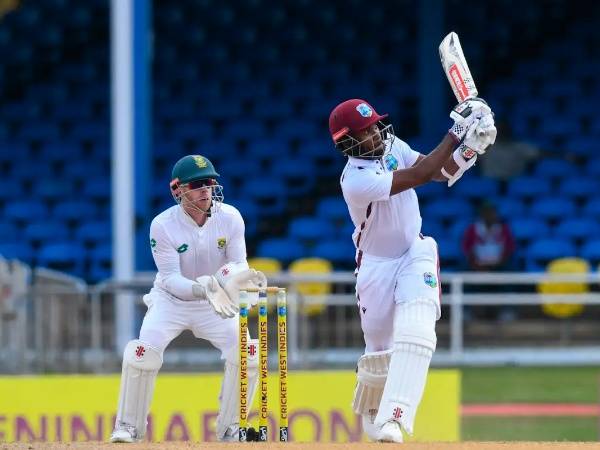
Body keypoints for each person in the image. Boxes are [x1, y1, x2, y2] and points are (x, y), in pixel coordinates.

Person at [328, 98, 496, 442]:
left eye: (375, 124)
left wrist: (470, 149)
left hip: (414, 251)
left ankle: (396, 416)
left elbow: (438, 172)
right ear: (347, 141)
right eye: (366, 130)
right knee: (379, 353)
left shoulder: (392, 144)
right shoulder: (355, 180)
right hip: (375, 265)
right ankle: (374, 409)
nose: (376, 132)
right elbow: (419, 176)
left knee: (418, 332)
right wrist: (457, 131)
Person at [110, 154, 266, 443]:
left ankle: (232, 428)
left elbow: (239, 262)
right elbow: (170, 278)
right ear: (178, 189)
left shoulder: (230, 217)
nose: (206, 189)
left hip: (217, 304)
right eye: (197, 184)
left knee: (248, 353)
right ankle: (128, 426)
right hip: (171, 302)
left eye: (209, 182)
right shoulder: (163, 224)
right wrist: (202, 289)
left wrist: (234, 283)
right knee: (142, 353)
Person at [462, 200, 517, 321]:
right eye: (486, 212)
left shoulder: (503, 229)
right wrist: (477, 265)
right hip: (477, 266)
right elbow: (467, 249)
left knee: (511, 271)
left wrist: (498, 264)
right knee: (463, 272)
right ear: (481, 214)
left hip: (498, 266)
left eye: (491, 212)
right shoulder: (473, 229)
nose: (489, 215)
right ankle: (465, 311)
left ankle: (508, 310)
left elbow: (509, 249)